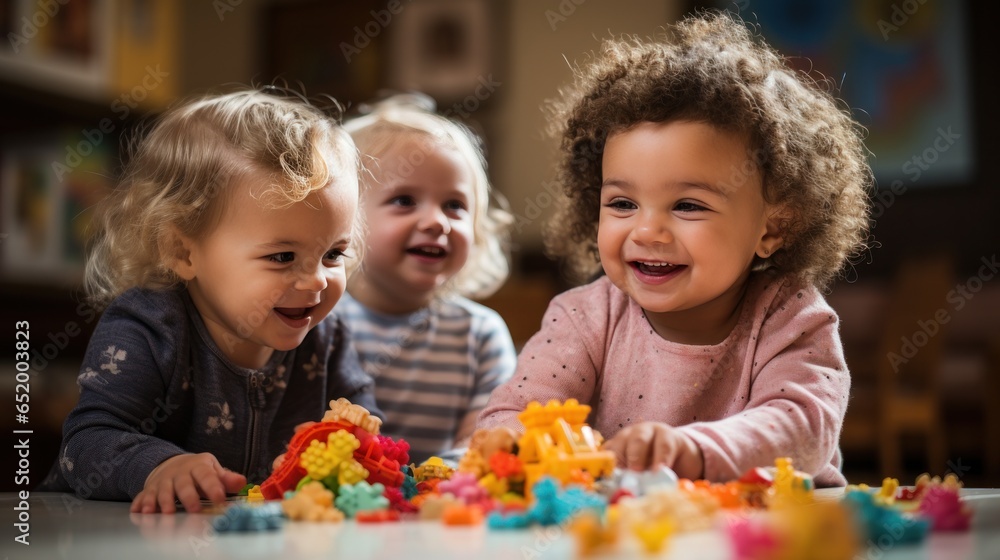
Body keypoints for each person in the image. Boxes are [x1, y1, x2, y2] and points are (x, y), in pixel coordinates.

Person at [477, 13, 872, 487]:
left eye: (687, 205)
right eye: (622, 203)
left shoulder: (792, 318)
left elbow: (804, 428)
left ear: (774, 226)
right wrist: (509, 443)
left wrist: (691, 450)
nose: (648, 230)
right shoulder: (583, 319)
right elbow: (518, 412)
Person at [37, 88, 380, 513]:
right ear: (183, 252)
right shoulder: (150, 327)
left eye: (333, 254)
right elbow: (86, 442)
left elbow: (367, 434)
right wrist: (159, 466)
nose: (315, 282)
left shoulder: (329, 337)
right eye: (282, 257)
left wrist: (356, 455)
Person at [336, 94, 517, 464]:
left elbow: (485, 441)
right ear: (344, 222)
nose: (437, 221)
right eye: (404, 200)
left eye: (455, 205)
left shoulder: (481, 335)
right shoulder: (318, 321)